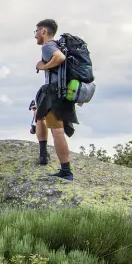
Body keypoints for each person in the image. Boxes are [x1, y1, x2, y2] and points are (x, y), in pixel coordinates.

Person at [33, 18, 77, 181]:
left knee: (57, 130)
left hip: (55, 93)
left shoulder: (48, 46)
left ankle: (66, 171)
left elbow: (59, 58)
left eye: (36, 31)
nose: (35, 35)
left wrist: (42, 66)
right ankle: (43, 154)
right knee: (39, 115)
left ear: (43, 31)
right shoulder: (58, 45)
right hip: (62, 92)